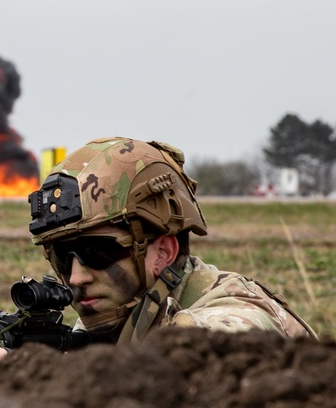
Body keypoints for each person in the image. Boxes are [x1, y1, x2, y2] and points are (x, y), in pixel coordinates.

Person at [26, 136, 317, 344]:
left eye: (97, 252)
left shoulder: (242, 312)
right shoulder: (111, 322)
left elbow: (191, 348)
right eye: (62, 257)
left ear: (163, 252)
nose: (76, 278)